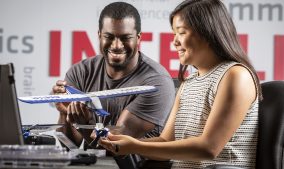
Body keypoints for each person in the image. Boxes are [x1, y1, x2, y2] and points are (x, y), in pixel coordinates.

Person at [100, 0, 262, 168]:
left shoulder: (236, 75)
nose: (174, 42)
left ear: (207, 32)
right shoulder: (188, 83)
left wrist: (135, 146)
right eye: (174, 34)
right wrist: (122, 143)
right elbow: (165, 141)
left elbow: (209, 148)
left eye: (182, 32)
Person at [52, 1, 175, 168]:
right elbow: (69, 145)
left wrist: (85, 124)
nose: (116, 45)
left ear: (138, 38)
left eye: (125, 38)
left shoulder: (156, 81)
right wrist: (65, 113)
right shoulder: (79, 72)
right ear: (99, 35)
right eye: (109, 37)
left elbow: (117, 147)